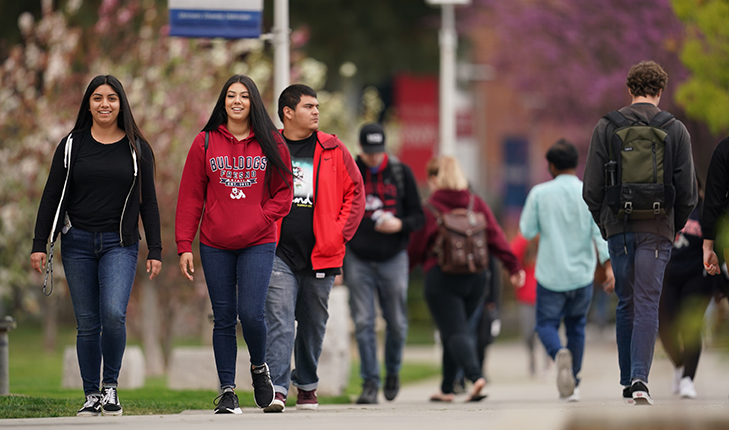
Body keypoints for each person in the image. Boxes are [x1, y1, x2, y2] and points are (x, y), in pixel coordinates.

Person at [30, 75, 162, 417]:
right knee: (88, 322)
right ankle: (91, 394)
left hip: (120, 244)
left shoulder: (137, 148)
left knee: (114, 314)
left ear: (122, 104)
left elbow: (149, 203)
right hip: (77, 242)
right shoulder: (72, 145)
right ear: (88, 103)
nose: (105, 104)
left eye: (112, 98)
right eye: (98, 97)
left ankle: (110, 387)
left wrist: (157, 249)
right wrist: (39, 243)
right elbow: (50, 197)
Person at [175, 75, 293, 414]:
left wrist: (258, 217)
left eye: (244, 96)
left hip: (258, 241)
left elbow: (283, 194)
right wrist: (184, 244)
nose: (237, 101)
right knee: (224, 317)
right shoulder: (205, 142)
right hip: (215, 243)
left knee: (252, 314)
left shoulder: (272, 141)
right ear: (223, 101)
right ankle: (227, 391)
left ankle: (259, 369)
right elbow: (191, 197)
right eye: (231, 95)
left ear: (254, 101)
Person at [583, 61, 698, 405]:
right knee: (649, 302)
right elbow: (689, 192)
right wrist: (672, 227)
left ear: (630, 89)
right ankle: (639, 379)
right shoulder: (675, 129)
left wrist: (606, 225)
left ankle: (626, 377)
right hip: (658, 230)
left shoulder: (607, 126)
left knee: (626, 302)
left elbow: (591, 188)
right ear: (660, 90)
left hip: (619, 229)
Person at [263, 84, 365, 413]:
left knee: (312, 320)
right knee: (278, 317)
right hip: (277, 251)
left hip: (322, 251)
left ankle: (306, 384)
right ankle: (277, 388)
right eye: (309, 106)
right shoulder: (267, 148)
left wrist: (338, 235)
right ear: (288, 112)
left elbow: (356, 194)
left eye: (317, 105)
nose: (316, 111)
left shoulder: (334, 148)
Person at [408, 155, 524, 402]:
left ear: (436, 179)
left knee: (455, 330)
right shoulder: (476, 204)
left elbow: (414, 249)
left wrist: (402, 274)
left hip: (442, 278)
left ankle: (475, 376)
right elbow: (496, 237)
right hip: (476, 278)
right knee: (455, 329)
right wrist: (513, 267)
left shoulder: (428, 208)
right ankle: (447, 388)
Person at [520, 139, 614, 402]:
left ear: (550, 165)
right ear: (576, 164)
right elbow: (600, 233)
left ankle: (557, 353)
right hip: (581, 276)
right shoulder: (589, 193)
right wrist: (608, 267)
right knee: (577, 327)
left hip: (550, 274)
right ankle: (575, 381)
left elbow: (526, 230)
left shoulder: (539, 193)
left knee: (545, 325)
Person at [344, 123, 424, 404]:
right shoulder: (349, 171)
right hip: (358, 258)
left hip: (393, 257)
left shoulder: (401, 174)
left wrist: (400, 224)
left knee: (398, 323)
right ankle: (370, 383)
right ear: (360, 150)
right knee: (364, 322)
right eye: (369, 153)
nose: (375, 158)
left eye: (379, 152)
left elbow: (419, 217)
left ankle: (392, 372)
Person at [659, 175, 722, 399]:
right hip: (668, 275)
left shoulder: (706, 211)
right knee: (664, 327)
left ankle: (688, 378)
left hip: (697, 276)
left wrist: (720, 281)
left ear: (697, 185)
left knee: (691, 327)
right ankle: (679, 365)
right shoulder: (666, 209)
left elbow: (718, 247)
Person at [509, 232, 542, 377]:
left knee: (546, 330)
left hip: (546, 295)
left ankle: (548, 360)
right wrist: (526, 235)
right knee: (528, 332)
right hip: (526, 297)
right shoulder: (526, 244)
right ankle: (532, 354)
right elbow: (511, 253)